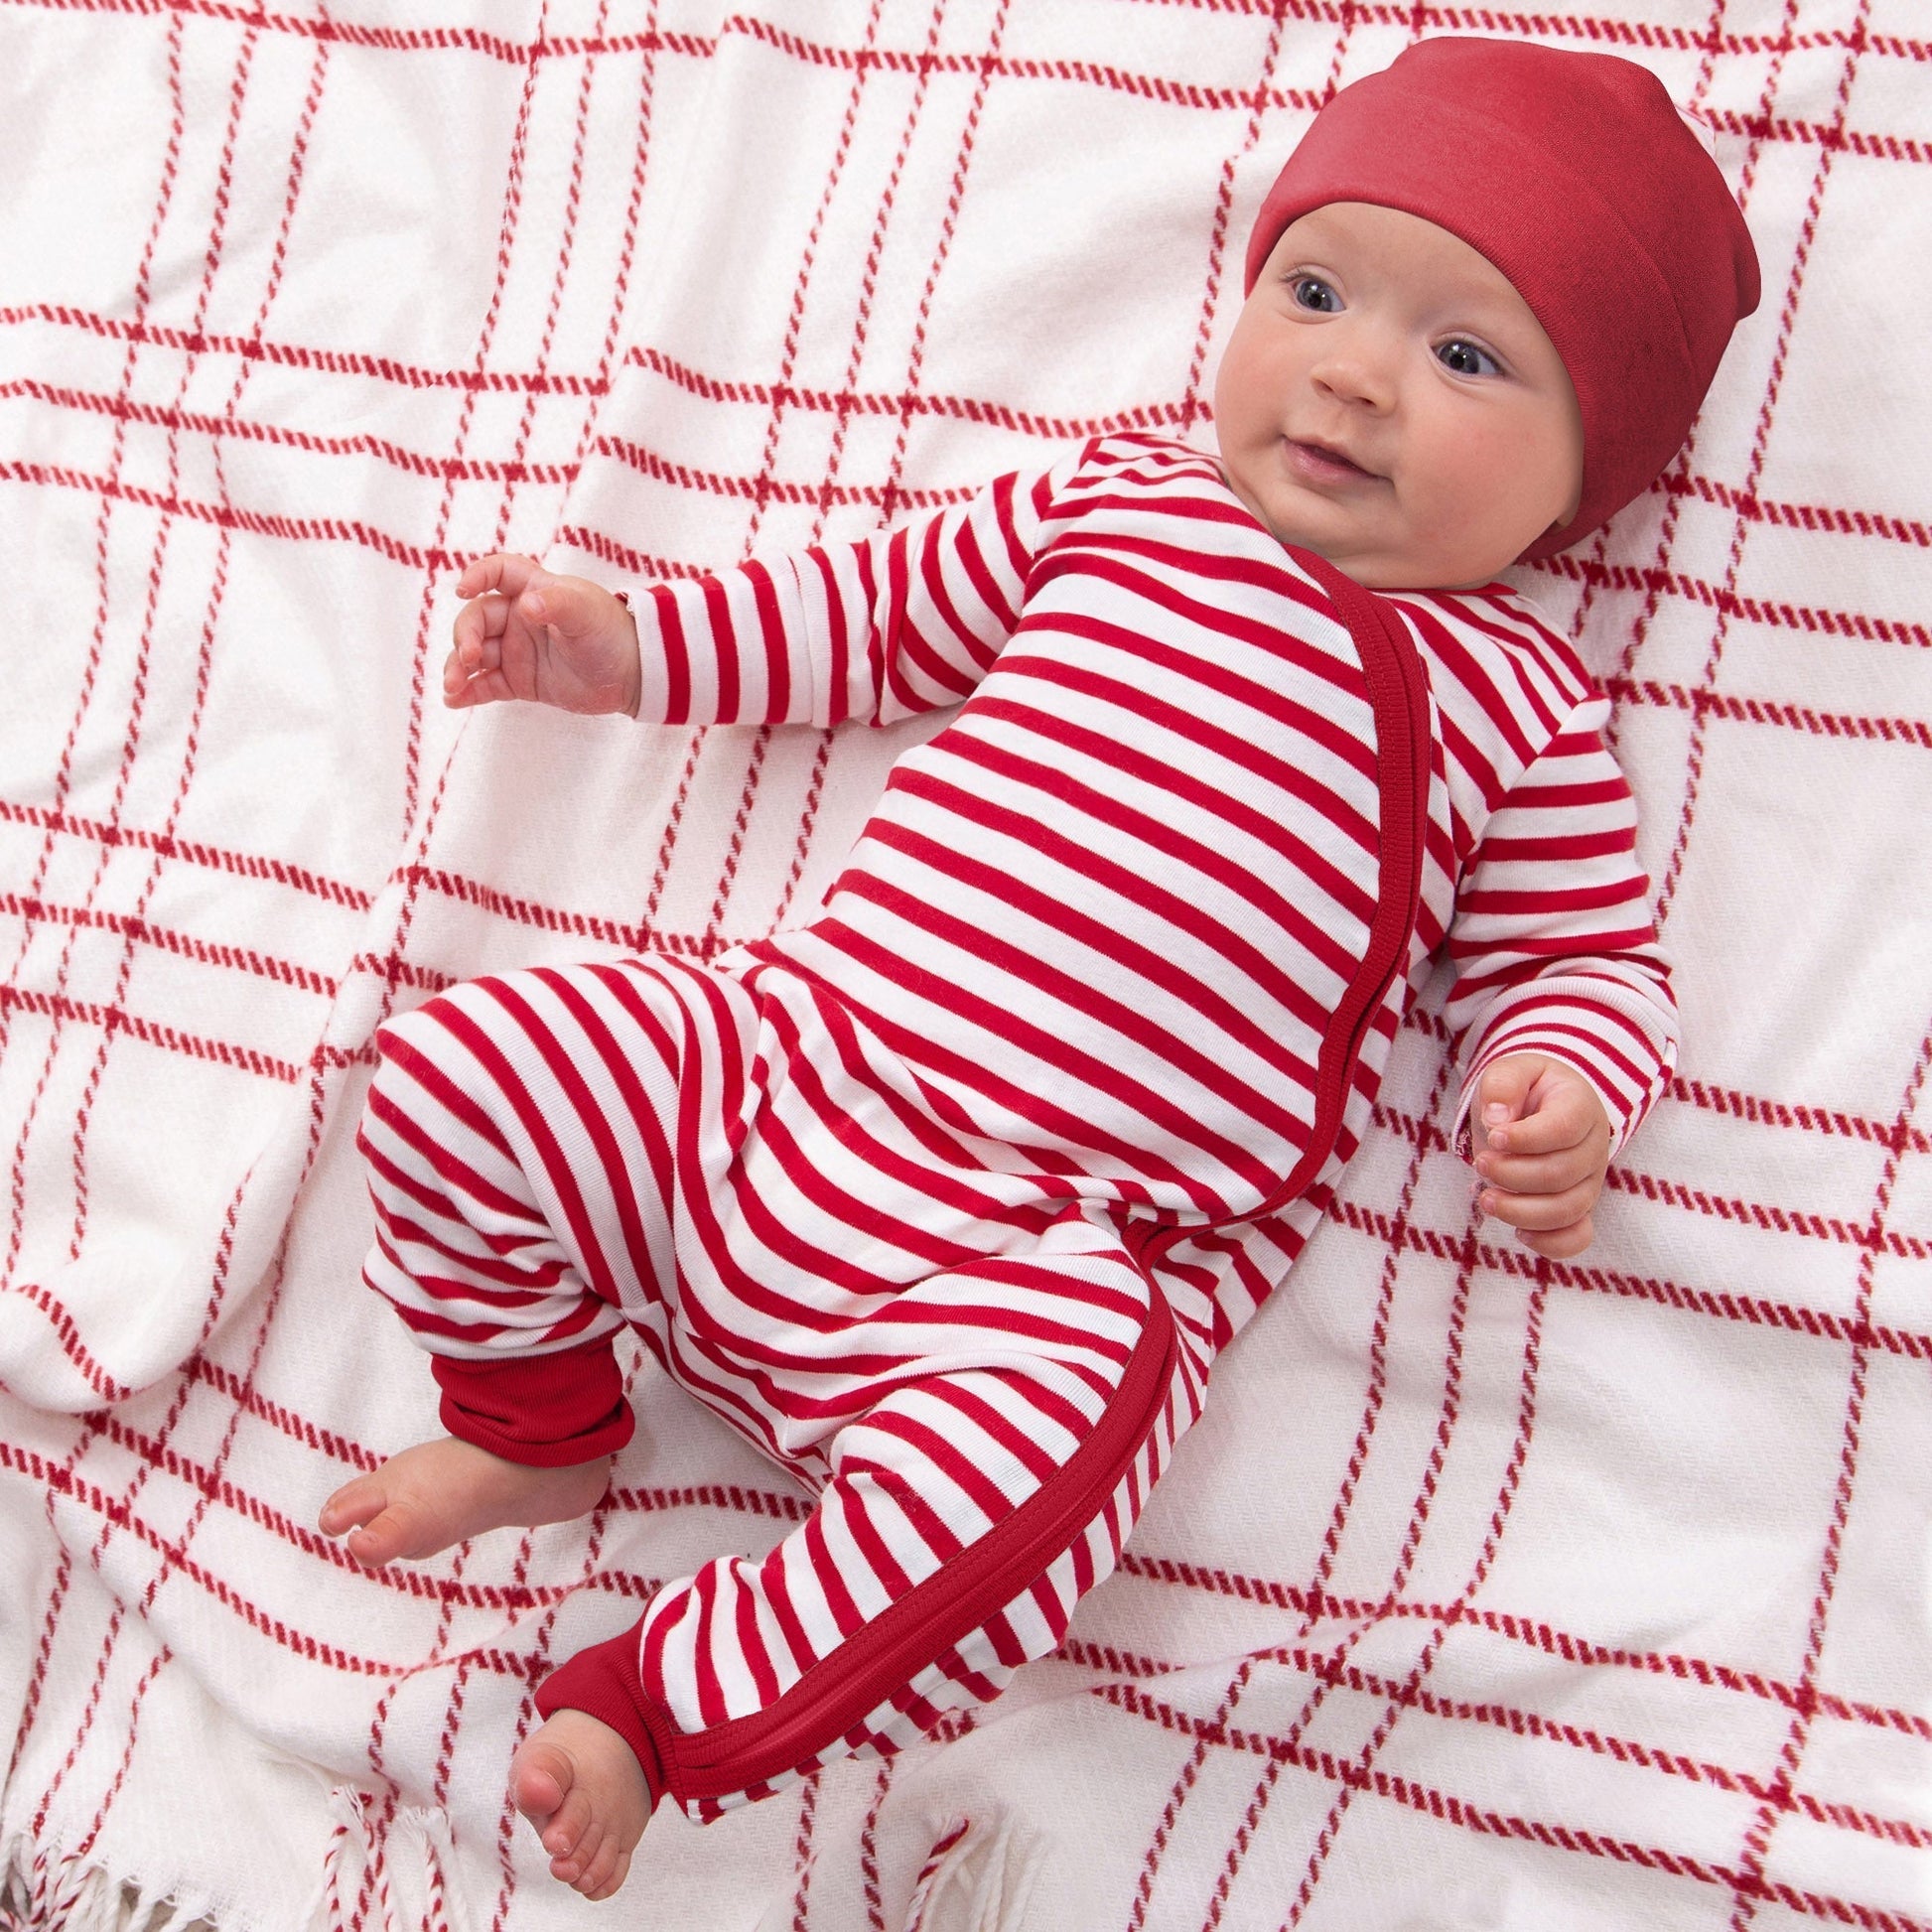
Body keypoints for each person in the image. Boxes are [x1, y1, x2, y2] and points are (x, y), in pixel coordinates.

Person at [319, 35, 1759, 1900]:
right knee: (463, 1066)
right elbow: (861, 614)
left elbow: (1583, 952)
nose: (1347, 371)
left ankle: (660, 1705)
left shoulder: (1510, 705)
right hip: (791, 1076)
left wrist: (1564, 1072)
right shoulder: (1115, 500)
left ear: (1590, 477)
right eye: (1314, 291)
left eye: (1463, 356)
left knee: (1047, 1478)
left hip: (1058, 1262)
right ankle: (535, 1419)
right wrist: (626, 649)